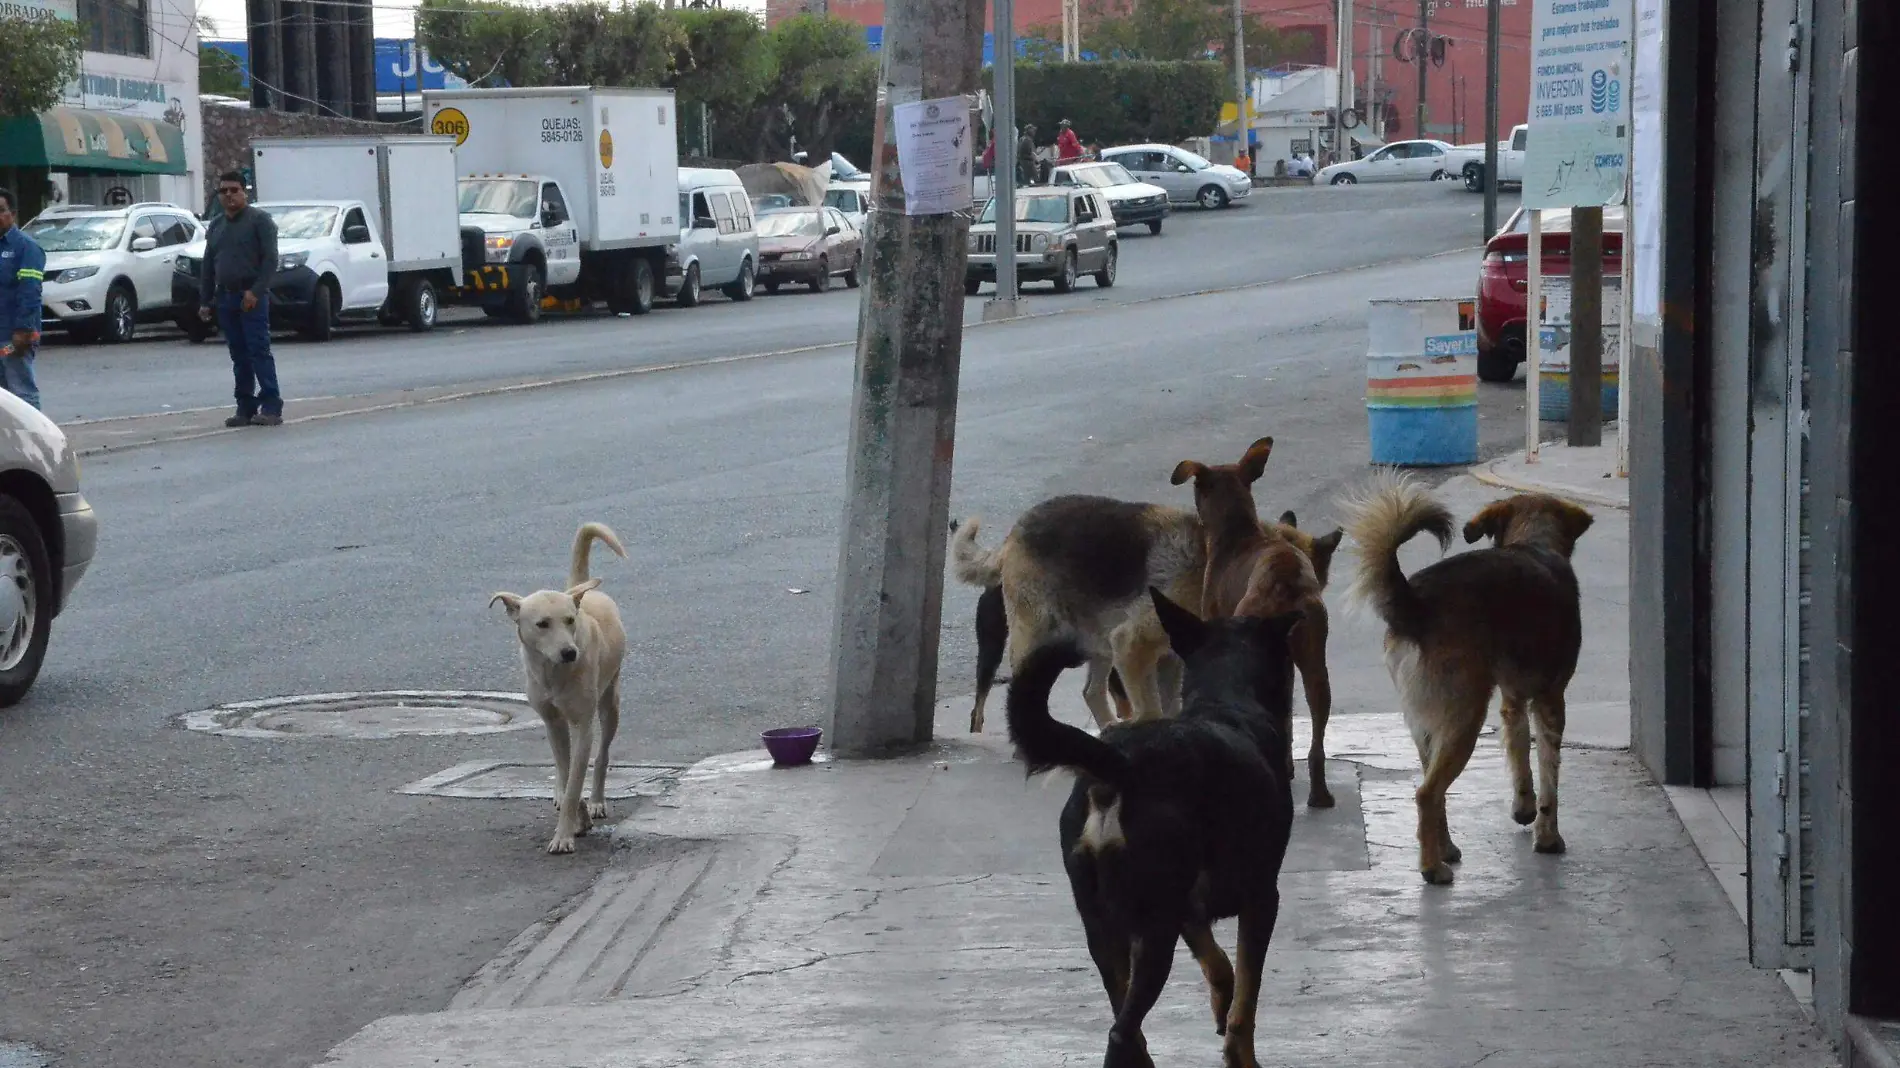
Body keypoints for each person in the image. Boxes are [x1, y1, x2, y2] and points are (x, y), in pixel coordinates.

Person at [201, 171, 284, 427]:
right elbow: (208, 264)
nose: (228, 196)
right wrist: (205, 300)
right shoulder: (216, 225)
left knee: (259, 350)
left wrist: (255, 292)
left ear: (244, 191)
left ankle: (271, 406)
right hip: (226, 297)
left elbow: (270, 260)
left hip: (251, 297)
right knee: (239, 355)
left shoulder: (260, 221)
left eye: (234, 190)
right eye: (223, 191)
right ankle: (245, 407)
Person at [0, 187, 45, 411]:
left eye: (1, 211)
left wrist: (23, 331)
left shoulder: (26, 248)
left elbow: (30, 291)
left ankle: (34, 443)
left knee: (21, 394)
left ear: (13, 214)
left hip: (13, 339)